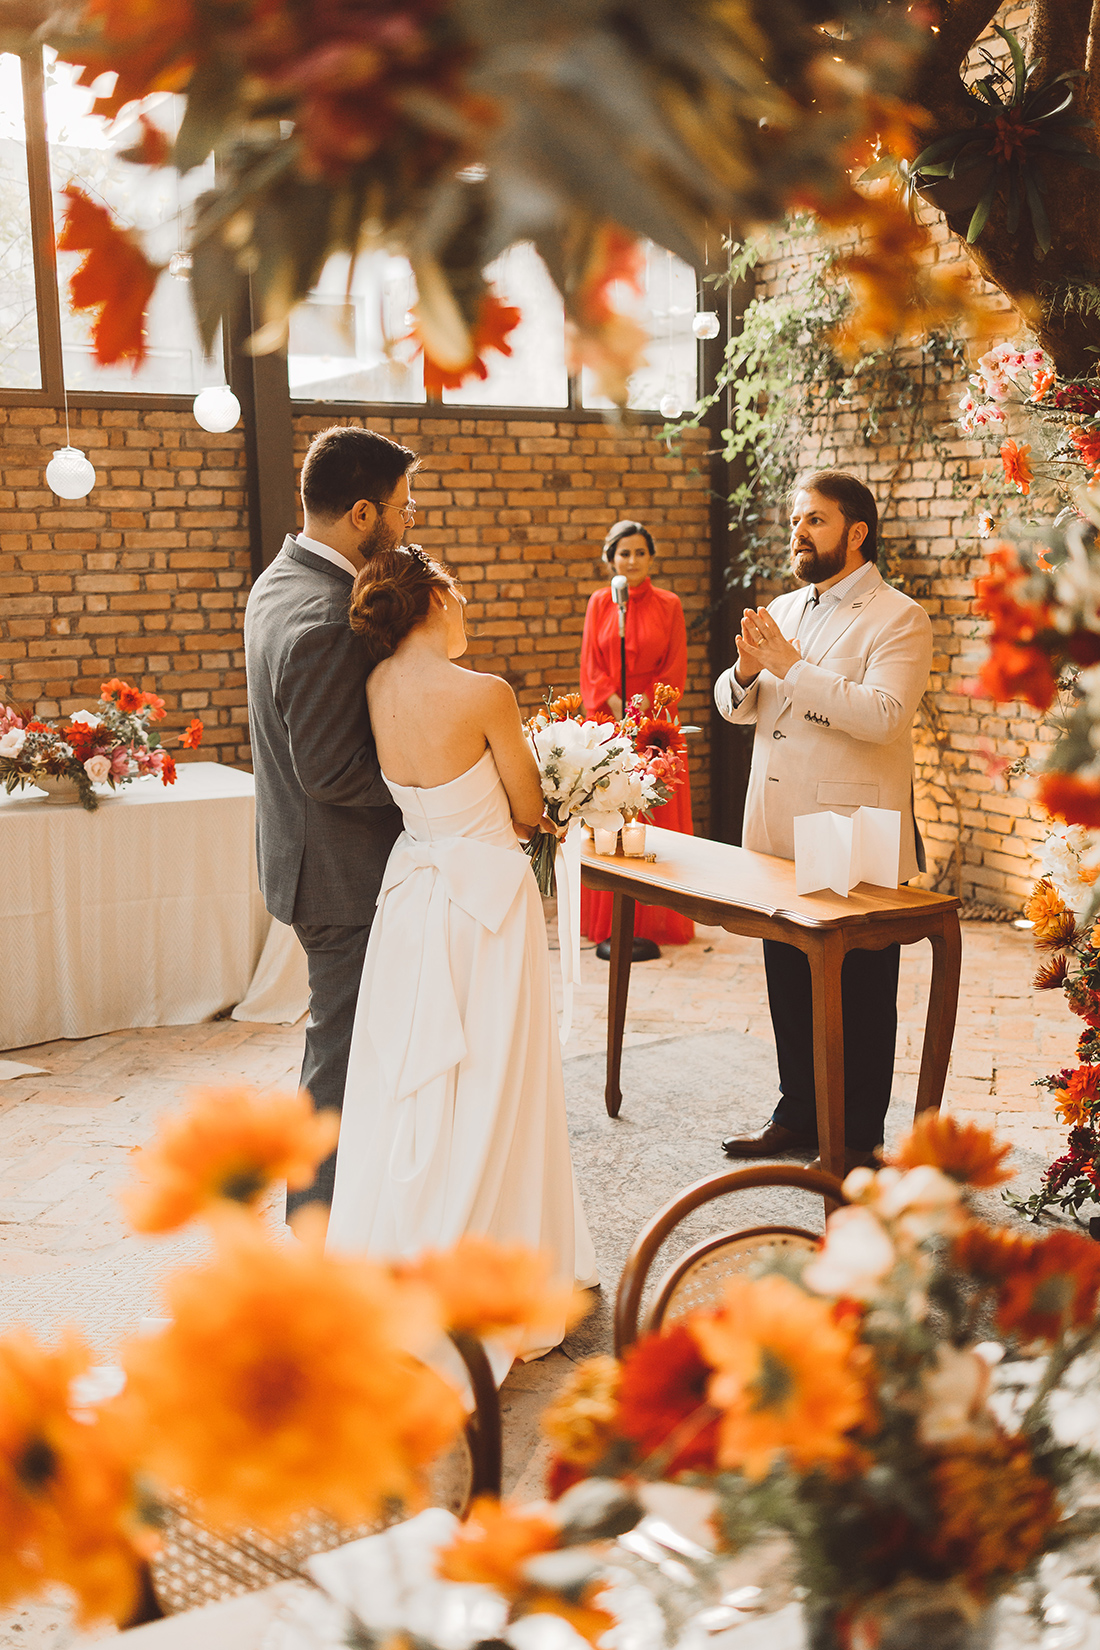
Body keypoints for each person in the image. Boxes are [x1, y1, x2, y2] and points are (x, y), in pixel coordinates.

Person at [325, 545, 597, 1366]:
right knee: (496, 1078)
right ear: (435, 601)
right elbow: (524, 807)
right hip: (485, 904)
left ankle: (406, 1252)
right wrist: (564, 792)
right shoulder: (485, 693)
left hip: (413, 896)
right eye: (461, 595)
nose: (467, 609)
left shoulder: (374, 687)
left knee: (416, 1080)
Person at [714, 470, 932, 1174]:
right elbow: (735, 705)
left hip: (850, 825)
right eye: (796, 521)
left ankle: (856, 1140)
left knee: (860, 993)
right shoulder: (786, 606)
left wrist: (791, 665)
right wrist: (747, 671)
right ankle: (796, 1114)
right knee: (788, 974)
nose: (798, 532)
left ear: (856, 531)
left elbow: (884, 716)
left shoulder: (899, 617)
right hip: (776, 822)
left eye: (814, 520)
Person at [244, 424, 417, 1214]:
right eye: (402, 507)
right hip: (340, 875)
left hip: (309, 860)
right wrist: (433, 782)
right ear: (360, 513)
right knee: (338, 1056)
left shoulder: (276, 579)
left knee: (346, 1043)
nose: (410, 522)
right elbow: (330, 771)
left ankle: (355, 1204)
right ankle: (314, 1224)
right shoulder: (320, 617)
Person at [579, 519, 694, 959]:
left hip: (653, 723)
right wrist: (617, 706)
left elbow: (674, 666)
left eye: (640, 553)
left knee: (653, 817)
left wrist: (643, 709)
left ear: (651, 557)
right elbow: (592, 665)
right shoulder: (599, 603)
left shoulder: (669, 604)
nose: (632, 560)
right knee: (611, 817)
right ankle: (613, 922)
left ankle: (655, 918)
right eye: (623, 553)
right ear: (611, 558)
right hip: (608, 720)